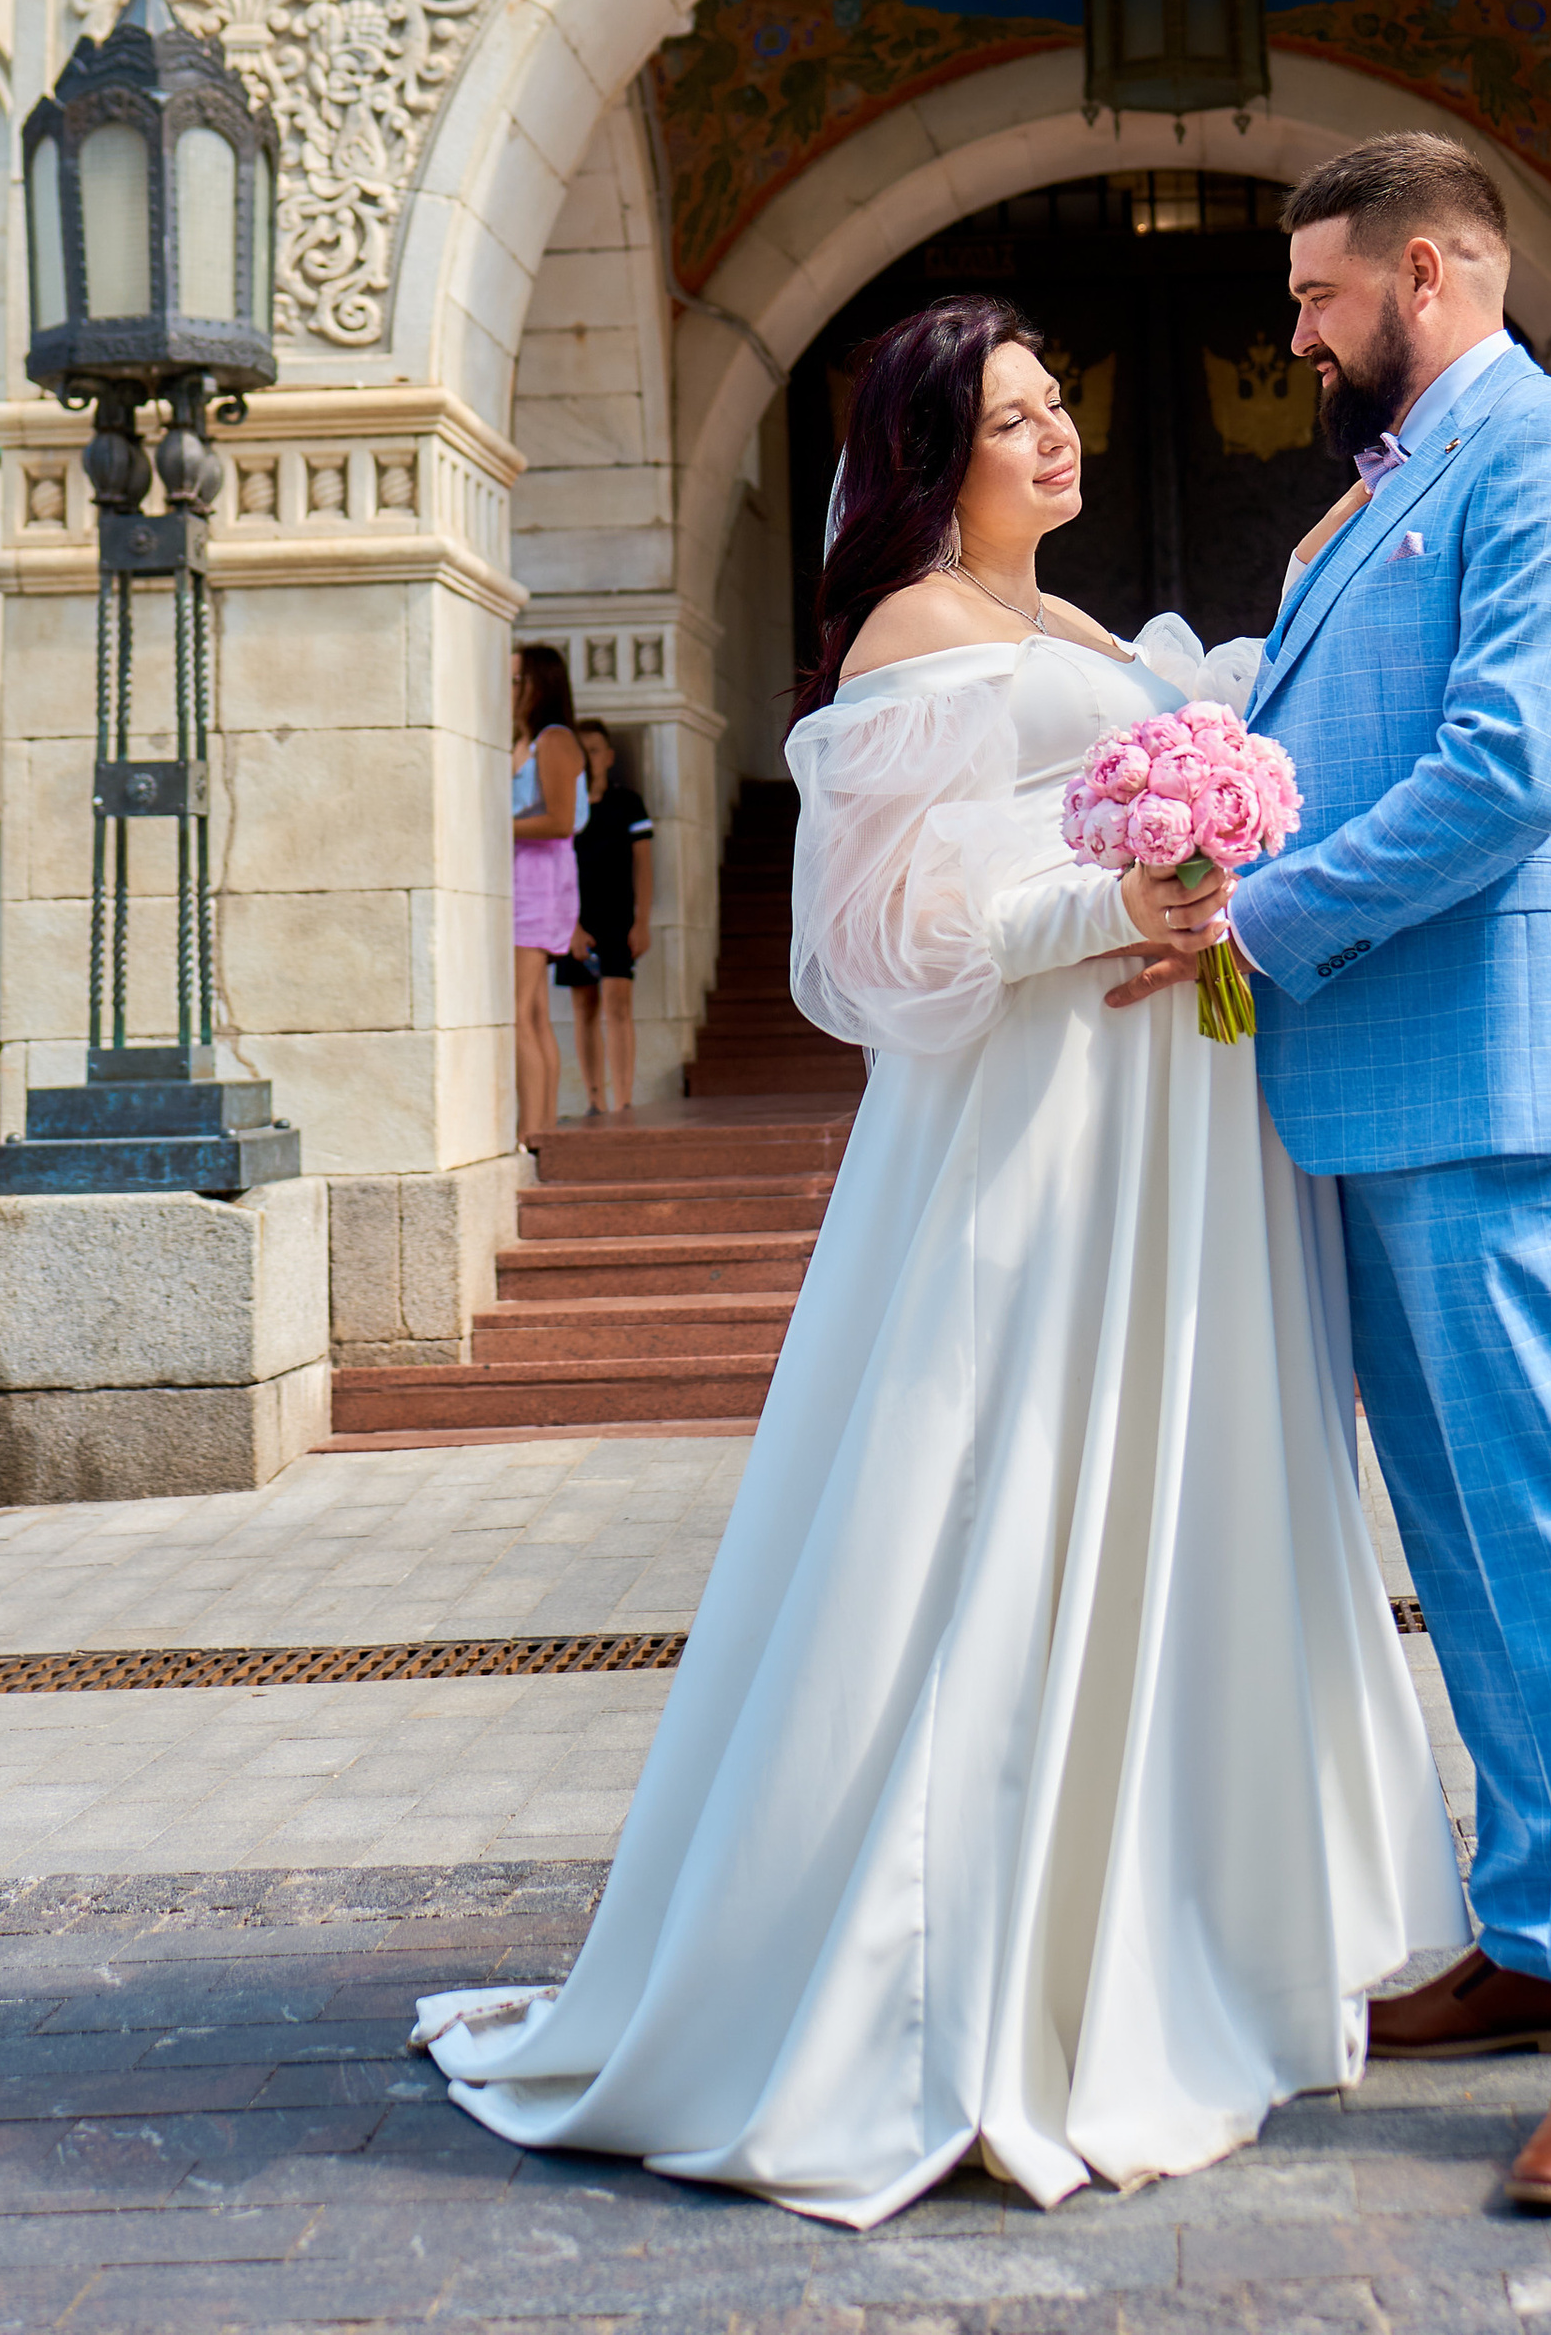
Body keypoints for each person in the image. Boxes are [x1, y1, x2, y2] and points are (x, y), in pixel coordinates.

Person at [415, 296, 1463, 2225]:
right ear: (928, 455)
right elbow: (881, 949)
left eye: (1062, 402)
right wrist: (1111, 896)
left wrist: (1208, 868)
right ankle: (946, 1979)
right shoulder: (911, 634)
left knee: (1167, 1491)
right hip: (1034, 1121)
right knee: (996, 1485)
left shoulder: (1082, 635)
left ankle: (1171, 1927)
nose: (1058, 434)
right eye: (1012, 415)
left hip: (1172, 1114)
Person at [1133, 130, 1551, 2214]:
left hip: (1505, 1074)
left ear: (1432, 273)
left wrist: (1257, 922)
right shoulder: (1380, 499)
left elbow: (1507, 768)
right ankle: (1542, 1934)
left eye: (1316, 298)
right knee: (1466, 1556)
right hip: (1384, 1093)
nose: (1293, 335)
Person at [510, 641, 588, 1146]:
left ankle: (529, 1131)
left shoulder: (555, 739)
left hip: (537, 886)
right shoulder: (527, 739)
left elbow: (561, 820)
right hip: (523, 882)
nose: (510, 688)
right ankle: (537, 1130)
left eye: (518, 680)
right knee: (533, 1013)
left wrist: (493, 826)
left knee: (516, 1013)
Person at [560, 717, 653, 1121]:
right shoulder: (564, 808)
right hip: (575, 920)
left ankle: (624, 1100)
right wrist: (570, 927)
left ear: (609, 756)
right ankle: (595, 1100)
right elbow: (557, 868)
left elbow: (644, 865)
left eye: (594, 750)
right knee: (584, 1006)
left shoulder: (628, 803)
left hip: (618, 918)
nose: (588, 758)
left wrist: (642, 920)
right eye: (581, 751)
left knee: (618, 1002)